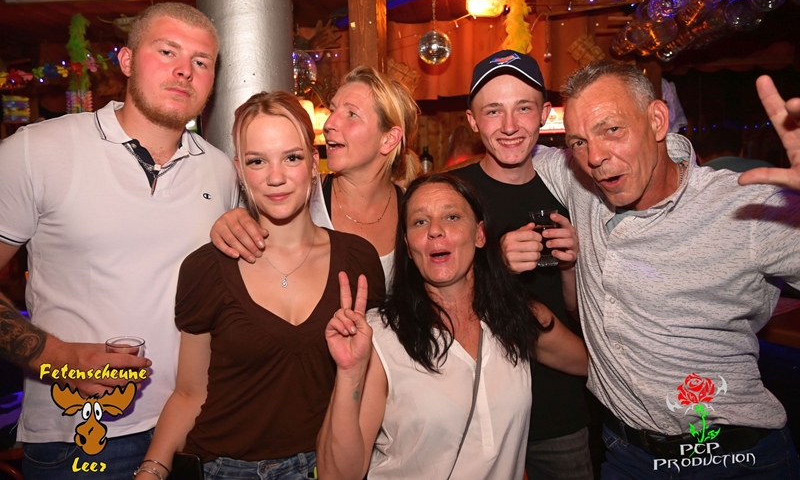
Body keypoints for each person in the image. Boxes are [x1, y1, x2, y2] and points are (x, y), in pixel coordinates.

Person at [506, 59, 800, 479]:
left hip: (733, 460)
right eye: (579, 141)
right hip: (628, 455)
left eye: (612, 130)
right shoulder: (580, 181)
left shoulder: (745, 206)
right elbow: (511, 151)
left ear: (657, 120)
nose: (595, 156)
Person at [0, 2, 239, 479]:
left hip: (195, 427)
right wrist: (62, 359)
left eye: (201, 61)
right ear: (127, 61)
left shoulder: (220, 170)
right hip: (81, 436)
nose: (184, 70)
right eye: (167, 51)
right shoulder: (36, 150)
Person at [134, 92, 384, 480]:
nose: (275, 177)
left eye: (292, 157)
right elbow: (190, 393)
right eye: (257, 161)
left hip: (320, 467)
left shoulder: (358, 263)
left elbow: (367, 386)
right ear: (240, 169)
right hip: (222, 468)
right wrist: (151, 470)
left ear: (313, 163)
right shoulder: (206, 268)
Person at [317, 173, 589, 480]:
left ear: (480, 234)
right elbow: (337, 475)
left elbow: (595, 367)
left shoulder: (517, 316)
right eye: (420, 221)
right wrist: (350, 373)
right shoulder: (380, 336)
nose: (435, 230)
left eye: (452, 217)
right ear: (408, 245)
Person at [447, 50, 593, 479]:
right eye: (493, 111)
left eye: (524, 108)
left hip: (559, 409)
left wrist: (570, 266)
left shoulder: (573, 190)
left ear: (545, 114)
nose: (509, 126)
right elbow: (430, 296)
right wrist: (495, 263)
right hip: (476, 409)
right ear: (473, 121)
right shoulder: (452, 194)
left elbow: (578, 311)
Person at [210, 66, 420, 286]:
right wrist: (231, 221)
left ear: (389, 139)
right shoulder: (298, 195)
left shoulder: (413, 211)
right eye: (332, 110)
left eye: (351, 114)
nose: (329, 124)